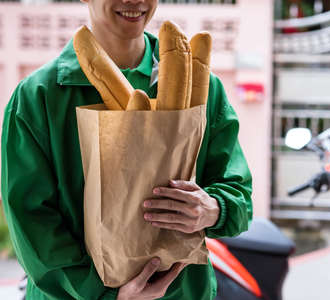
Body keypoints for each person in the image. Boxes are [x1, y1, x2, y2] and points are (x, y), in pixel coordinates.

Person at [0, 0, 252, 299]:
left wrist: (214, 209)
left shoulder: (203, 88)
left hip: (181, 292)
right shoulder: (39, 96)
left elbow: (238, 194)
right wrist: (107, 296)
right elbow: (32, 220)